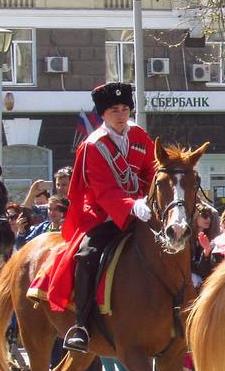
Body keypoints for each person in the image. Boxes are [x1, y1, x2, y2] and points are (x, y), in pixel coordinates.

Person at [62, 82, 158, 353]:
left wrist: (151, 199)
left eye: (125, 108)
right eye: (114, 110)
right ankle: (80, 324)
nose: (121, 114)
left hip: (143, 209)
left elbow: (153, 169)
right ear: (102, 114)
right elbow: (103, 190)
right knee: (87, 255)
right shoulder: (93, 146)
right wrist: (132, 206)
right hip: (105, 215)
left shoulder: (139, 136)